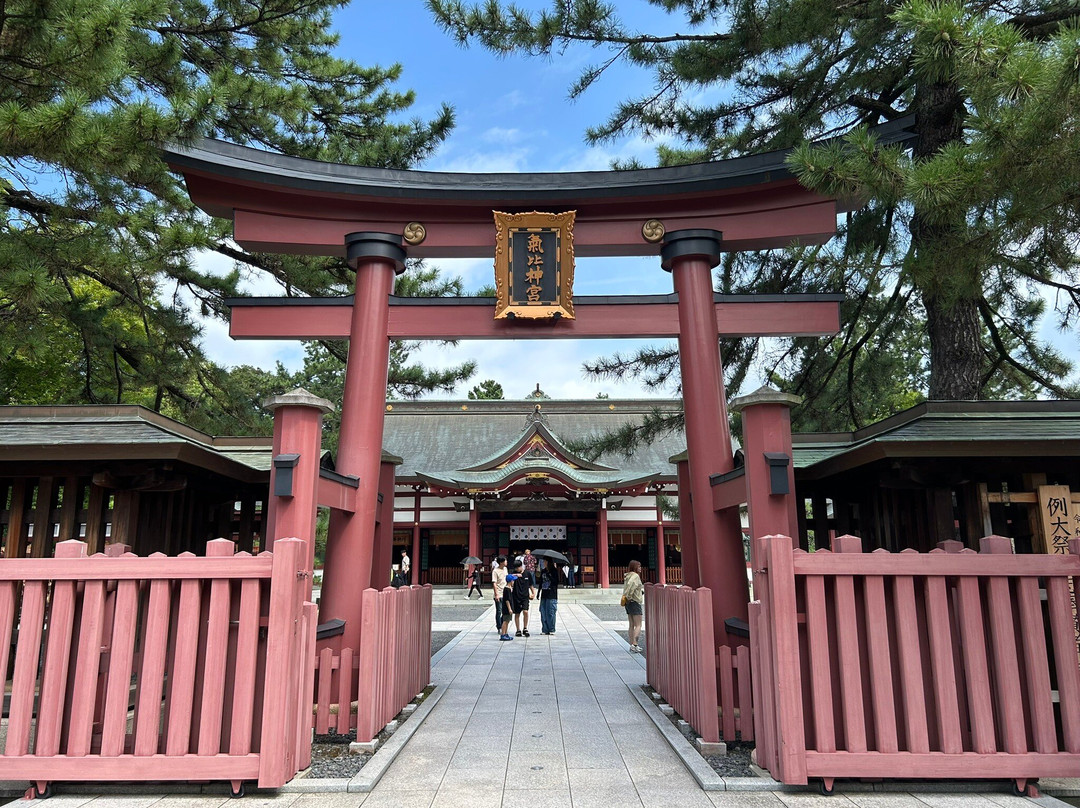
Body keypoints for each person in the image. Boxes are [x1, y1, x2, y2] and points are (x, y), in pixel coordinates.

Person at [622, 559, 645, 652]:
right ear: (635, 567)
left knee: (631, 624)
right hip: (634, 601)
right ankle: (635, 644)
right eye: (639, 566)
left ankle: (631, 644)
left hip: (628, 602)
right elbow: (631, 586)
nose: (640, 568)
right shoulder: (635, 576)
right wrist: (630, 596)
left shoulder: (628, 576)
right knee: (638, 625)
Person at [509, 560, 534, 637]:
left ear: (521, 566)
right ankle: (518, 630)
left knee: (525, 611)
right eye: (515, 568)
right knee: (517, 613)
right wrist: (515, 575)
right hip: (516, 596)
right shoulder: (513, 573)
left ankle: (525, 628)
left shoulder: (527, 573)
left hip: (525, 596)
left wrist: (533, 593)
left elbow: (531, 584)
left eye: (518, 567)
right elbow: (508, 579)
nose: (517, 569)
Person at [538, 558, 559, 634]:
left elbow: (556, 582)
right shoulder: (543, 571)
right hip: (544, 593)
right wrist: (538, 592)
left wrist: (549, 575)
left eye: (545, 561)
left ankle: (551, 628)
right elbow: (541, 582)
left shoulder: (554, 571)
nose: (544, 562)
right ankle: (545, 629)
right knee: (543, 611)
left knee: (550, 612)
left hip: (551, 594)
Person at [499, 567, 517, 641]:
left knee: (508, 621)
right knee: (505, 621)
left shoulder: (509, 589)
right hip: (507, 608)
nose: (514, 582)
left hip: (509, 607)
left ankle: (506, 633)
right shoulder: (507, 589)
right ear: (510, 581)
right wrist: (509, 608)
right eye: (513, 580)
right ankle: (503, 634)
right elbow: (507, 600)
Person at [492, 556, 508, 633]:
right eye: (505, 561)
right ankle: (499, 627)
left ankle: (502, 624)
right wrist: (496, 594)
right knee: (499, 611)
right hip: (499, 592)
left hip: (505, 592)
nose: (506, 562)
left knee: (505, 610)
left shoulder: (505, 569)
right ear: (501, 562)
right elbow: (494, 583)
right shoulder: (495, 571)